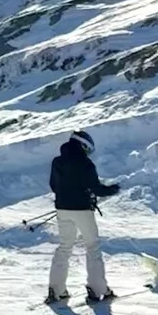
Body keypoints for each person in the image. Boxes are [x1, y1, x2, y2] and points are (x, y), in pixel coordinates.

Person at [47, 129, 118, 305]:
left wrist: (66, 195)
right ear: (83, 145)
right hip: (82, 210)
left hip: (62, 210)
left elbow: (53, 185)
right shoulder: (86, 164)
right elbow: (97, 188)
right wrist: (113, 189)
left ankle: (56, 290)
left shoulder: (57, 161)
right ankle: (98, 289)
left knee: (64, 247)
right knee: (92, 247)